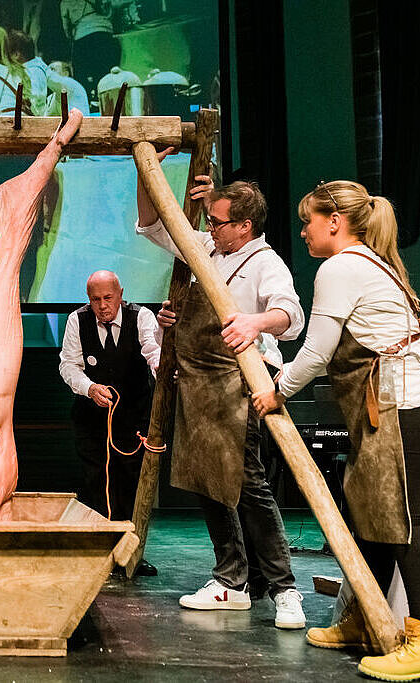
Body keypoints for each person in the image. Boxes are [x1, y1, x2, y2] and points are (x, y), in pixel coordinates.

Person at [252, 181, 420, 680]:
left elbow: (317, 351)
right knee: (371, 517)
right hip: (385, 409)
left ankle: (418, 638)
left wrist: (277, 391)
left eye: (308, 221)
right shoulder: (367, 262)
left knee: (405, 525)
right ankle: (365, 618)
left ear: (334, 221)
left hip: (401, 407)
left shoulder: (341, 266)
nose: (303, 231)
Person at [136, 149, 307, 629]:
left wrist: (256, 322)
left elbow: (291, 315)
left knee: (247, 483)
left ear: (245, 226)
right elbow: (153, 225)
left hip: (239, 383)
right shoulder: (207, 250)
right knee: (207, 482)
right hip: (198, 385)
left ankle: (284, 588)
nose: (209, 228)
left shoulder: (265, 263)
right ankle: (232, 580)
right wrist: (145, 173)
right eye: (209, 221)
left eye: (217, 222)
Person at [59, 270, 161, 575]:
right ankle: (102, 552)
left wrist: (164, 371)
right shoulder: (77, 320)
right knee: (96, 484)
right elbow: (69, 365)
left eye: (108, 298)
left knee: (131, 484)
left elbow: (153, 351)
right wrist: (89, 388)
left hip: (134, 418)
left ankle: (131, 554)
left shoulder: (141, 317)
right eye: (95, 300)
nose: (102, 306)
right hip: (92, 420)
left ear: (120, 294)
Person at [7, 30, 91, 116]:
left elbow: (35, 107)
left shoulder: (35, 71)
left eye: (6, 54)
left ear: (16, 55)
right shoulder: (36, 70)